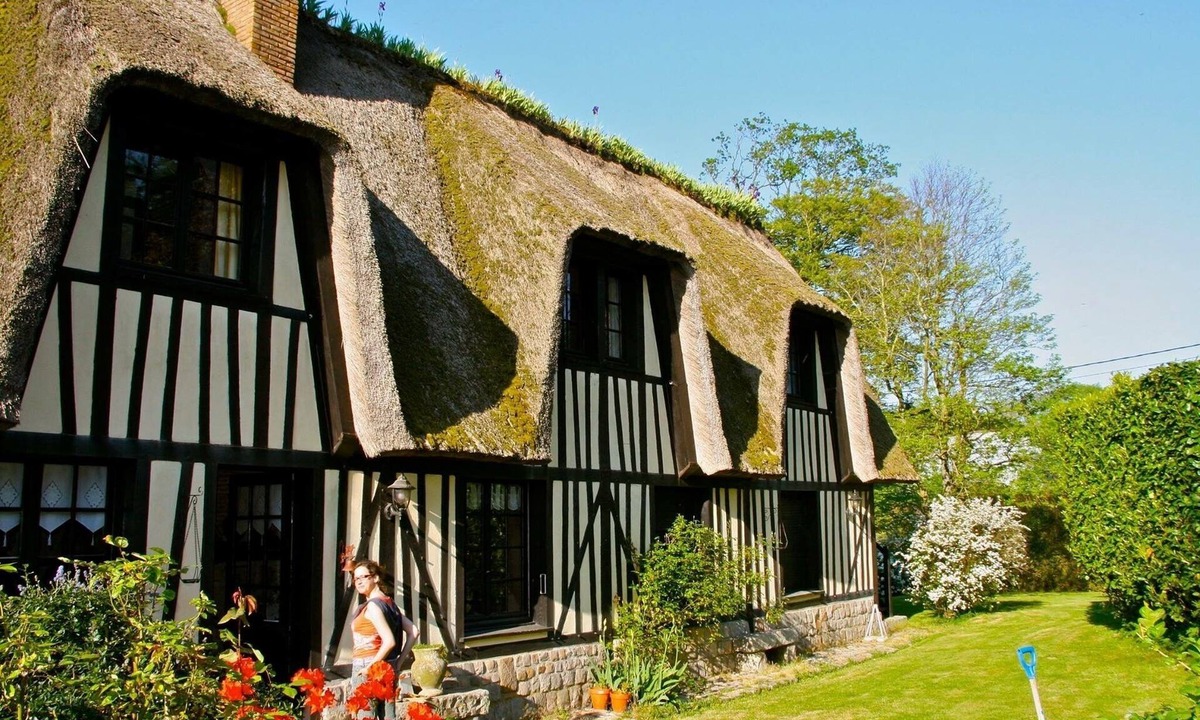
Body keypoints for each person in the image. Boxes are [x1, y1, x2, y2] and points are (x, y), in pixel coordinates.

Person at [349, 560, 417, 719]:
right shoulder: (389, 603)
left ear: (376, 578)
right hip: (388, 666)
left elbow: (389, 641)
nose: (358, 581)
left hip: (368, 664)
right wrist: (398, 663)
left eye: (364, 577)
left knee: (365, 715)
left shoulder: (373, 606)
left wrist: (369, 668)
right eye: (356, 579)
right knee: (387, 715)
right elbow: (414, 631)